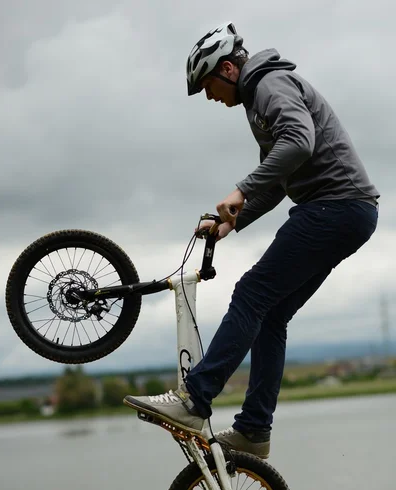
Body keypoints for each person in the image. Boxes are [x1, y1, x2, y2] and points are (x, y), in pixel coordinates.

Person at [124, 22, 379, 459]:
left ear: (227, 68)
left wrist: (240, 190)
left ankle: (194, 399)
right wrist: (229, 226)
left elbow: (299, 141)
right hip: (347, 212)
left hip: (334, 206)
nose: (208, 96)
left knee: (252, 293)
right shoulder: (260, 99)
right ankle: (254, 431)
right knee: (271, 314)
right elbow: (278, 180)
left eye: (207, 85)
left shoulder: (270, 84)